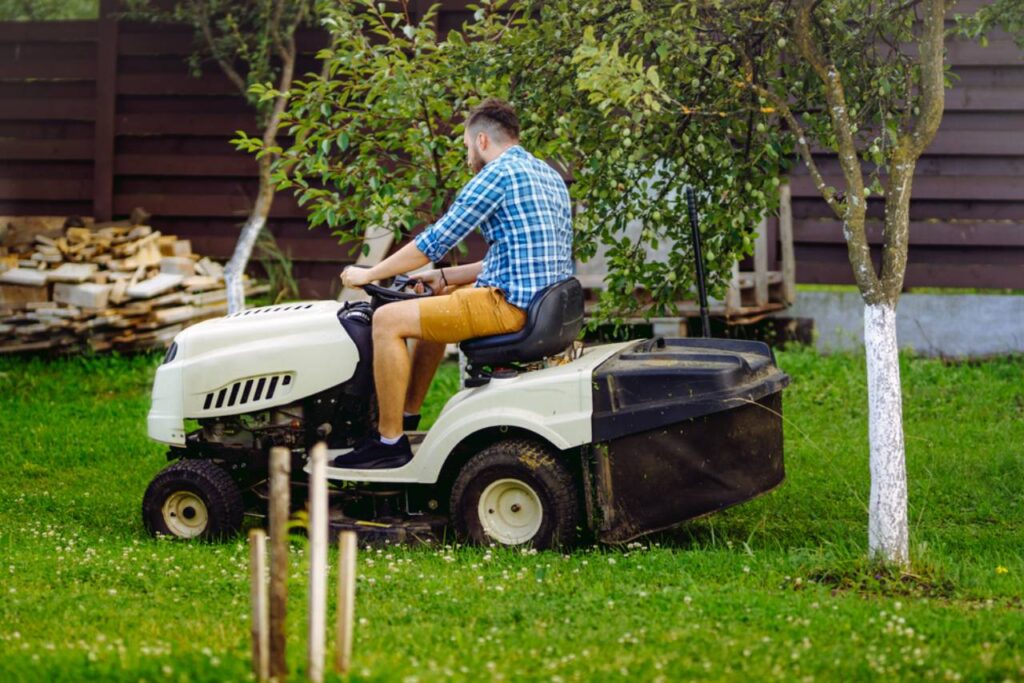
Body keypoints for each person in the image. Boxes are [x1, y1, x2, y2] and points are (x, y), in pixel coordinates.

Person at [334, 98, 573, 469]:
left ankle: (388, 441)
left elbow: (435, 240)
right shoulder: (546, 173)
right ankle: (408, 415)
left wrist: (369, 274)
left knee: (386, 321)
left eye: (465, 147)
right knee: (440, 295)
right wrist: (441, 276)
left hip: (510, 306)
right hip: (539, 304)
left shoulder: (496, 175)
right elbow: (512, 258)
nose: (467, 157)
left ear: (481, 141)